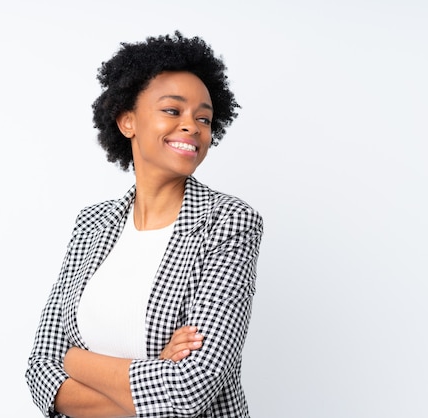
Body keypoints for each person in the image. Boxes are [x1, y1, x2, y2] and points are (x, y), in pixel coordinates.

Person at [25, 31, 263, 418]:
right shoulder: (92, 224)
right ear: (127, 121)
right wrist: (156, 370)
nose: (192, 126)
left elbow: (188, 393)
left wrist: (75, 361)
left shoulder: (229, 222)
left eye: (203, 118)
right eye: (173, 110)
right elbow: (40, 372)